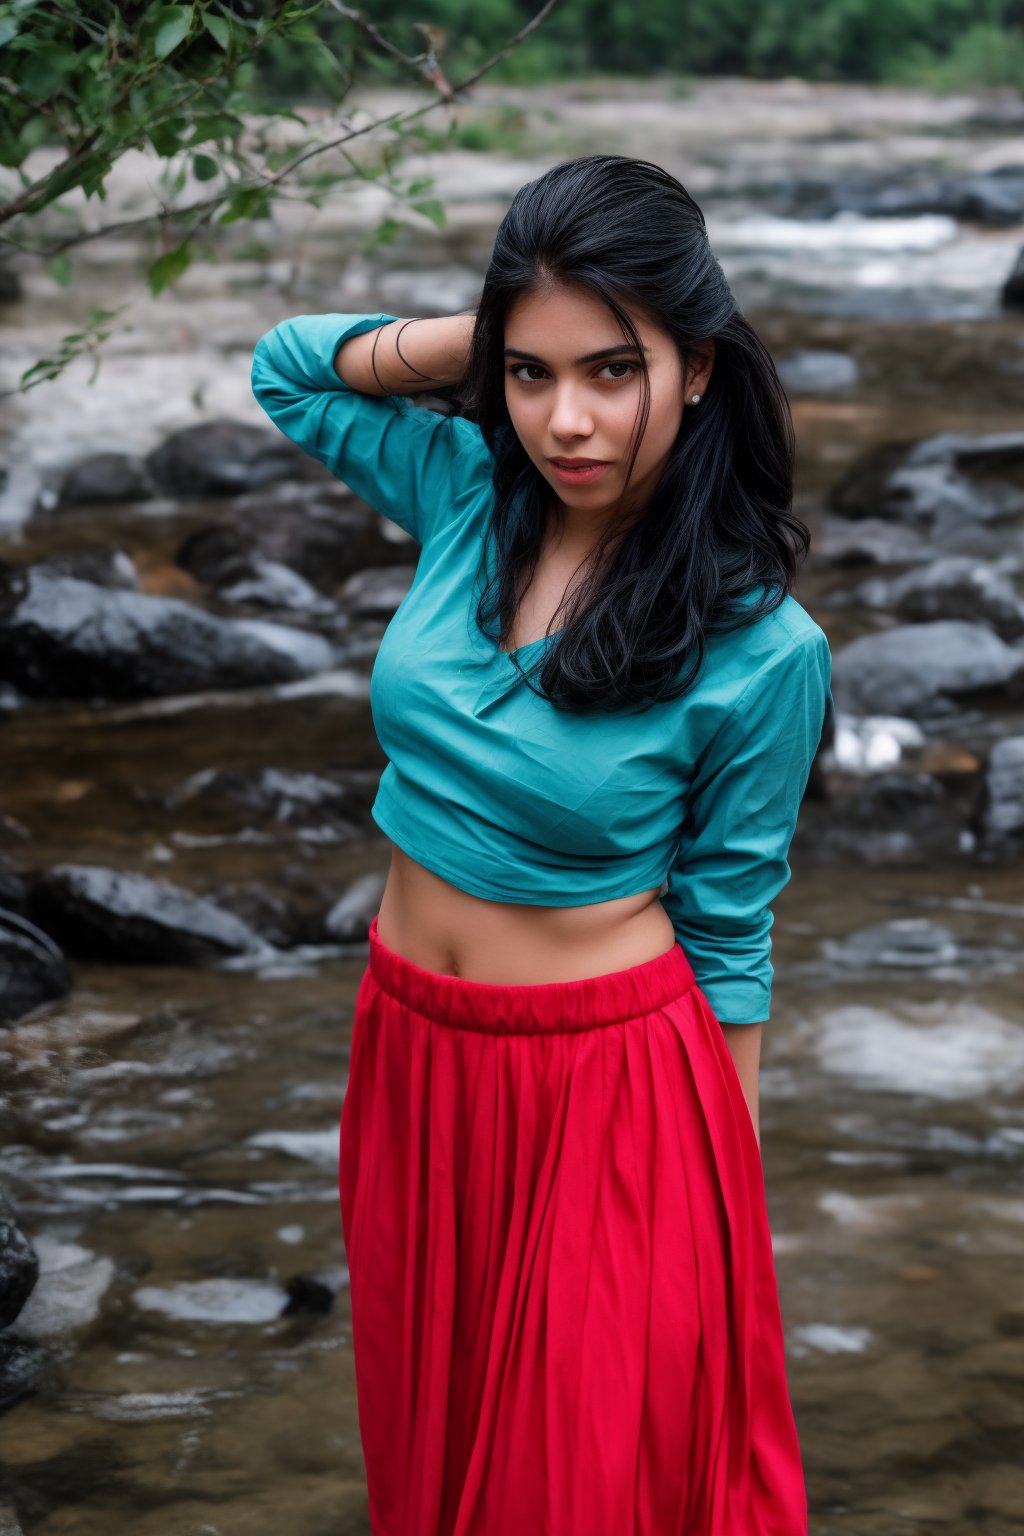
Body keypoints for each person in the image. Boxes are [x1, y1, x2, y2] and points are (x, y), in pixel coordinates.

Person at [251, 153, 832, 1536]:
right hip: (412, 1057)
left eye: (613, 373)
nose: (567, 421)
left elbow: (733, 929)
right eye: (530, 375)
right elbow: (286, 371)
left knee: (567, 1493)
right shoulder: (472, 498)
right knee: (436, 1461)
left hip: (613, 1097)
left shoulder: (767, 649)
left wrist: (725, 1221)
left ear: (700, 367)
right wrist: (515, 316)